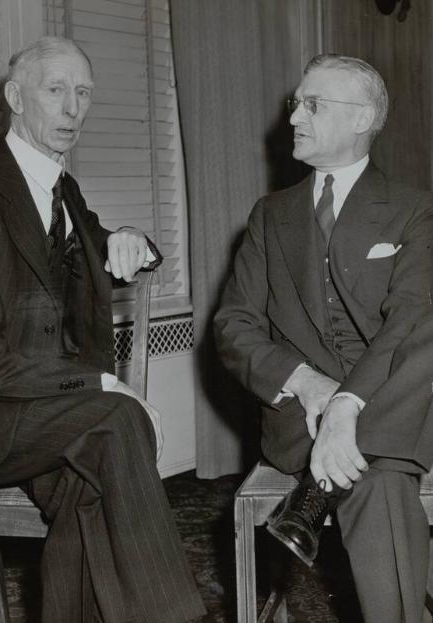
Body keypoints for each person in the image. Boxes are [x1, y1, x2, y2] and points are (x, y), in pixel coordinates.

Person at [0, 36, 205, 623]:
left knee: (89, 485)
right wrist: (101, 384)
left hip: (32, 410)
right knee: (114, 419)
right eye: (56, 91)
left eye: (83, 93)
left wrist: (128, 239)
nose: (73, 108)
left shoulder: (63, 191)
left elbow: (85, 248)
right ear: (15, 98)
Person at [214, 53, 433, 623]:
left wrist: (348, 404)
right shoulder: (270, 215)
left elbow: (410, 322)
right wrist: (310, 386)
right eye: (296, 104)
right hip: (302, 420)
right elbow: (233, 326)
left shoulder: (416, 211)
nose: (294, 118)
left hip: (394, 402)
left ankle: (316, 497)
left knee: (425, 336)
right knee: (382, 475)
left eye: (313, 105)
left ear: (362, 119)